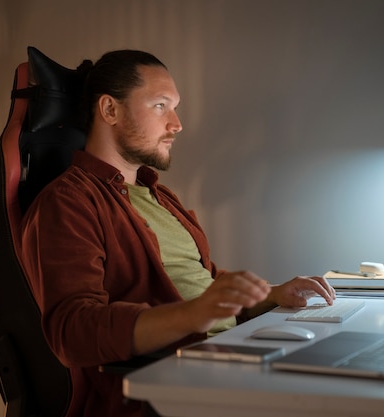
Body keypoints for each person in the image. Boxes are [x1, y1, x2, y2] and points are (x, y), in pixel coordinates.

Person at [20, 49, 336, 417]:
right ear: (109, 110)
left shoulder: (160, 195)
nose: (177, 123)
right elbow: (72, 330)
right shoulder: (68, 203)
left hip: (230, 357)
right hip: (172, 389)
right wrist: (190, 316)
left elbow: (202, 282)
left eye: (175, 107)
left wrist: (272, 294)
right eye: (160, 105)